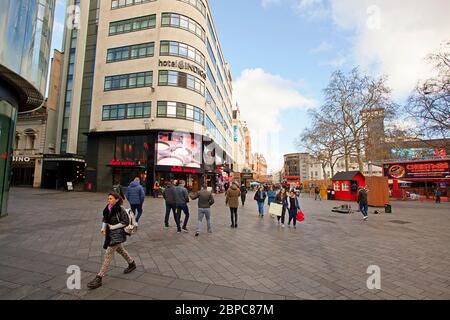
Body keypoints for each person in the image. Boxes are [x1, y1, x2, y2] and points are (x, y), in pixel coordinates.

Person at [87, 192, 136, 289]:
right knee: (120, 250)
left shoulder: (120, 209)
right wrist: (103, 228)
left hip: (117, 235)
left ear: (117, 199)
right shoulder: (108, 208)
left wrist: (113, 227)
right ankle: (132, 263)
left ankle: (99, 277)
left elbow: (125, 222)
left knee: (108, 255)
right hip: (110, 234)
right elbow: (105, 219)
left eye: (111, 198)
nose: (109, 200)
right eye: (108, 198)